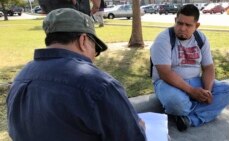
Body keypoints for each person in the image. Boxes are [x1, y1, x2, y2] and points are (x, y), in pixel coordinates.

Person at [6, 8, 146, 141]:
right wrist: (140, 127)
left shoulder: (20, 77)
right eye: (96, 50)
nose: (94, 57)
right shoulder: (98, 85)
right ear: (83, 40)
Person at [150, 4, 229, 132]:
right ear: (175, 20)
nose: (182, 28)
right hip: (167, 83)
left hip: (195, 81)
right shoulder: (163, 39)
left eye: (188, 25)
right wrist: (192, 91)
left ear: (197, 26)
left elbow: (208, 67)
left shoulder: (201, 38)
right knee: (176, 102)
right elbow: (165, 73)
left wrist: (207, 91)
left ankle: (187, 119)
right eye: (179, 23)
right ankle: (193, 111)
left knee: (227, 90)